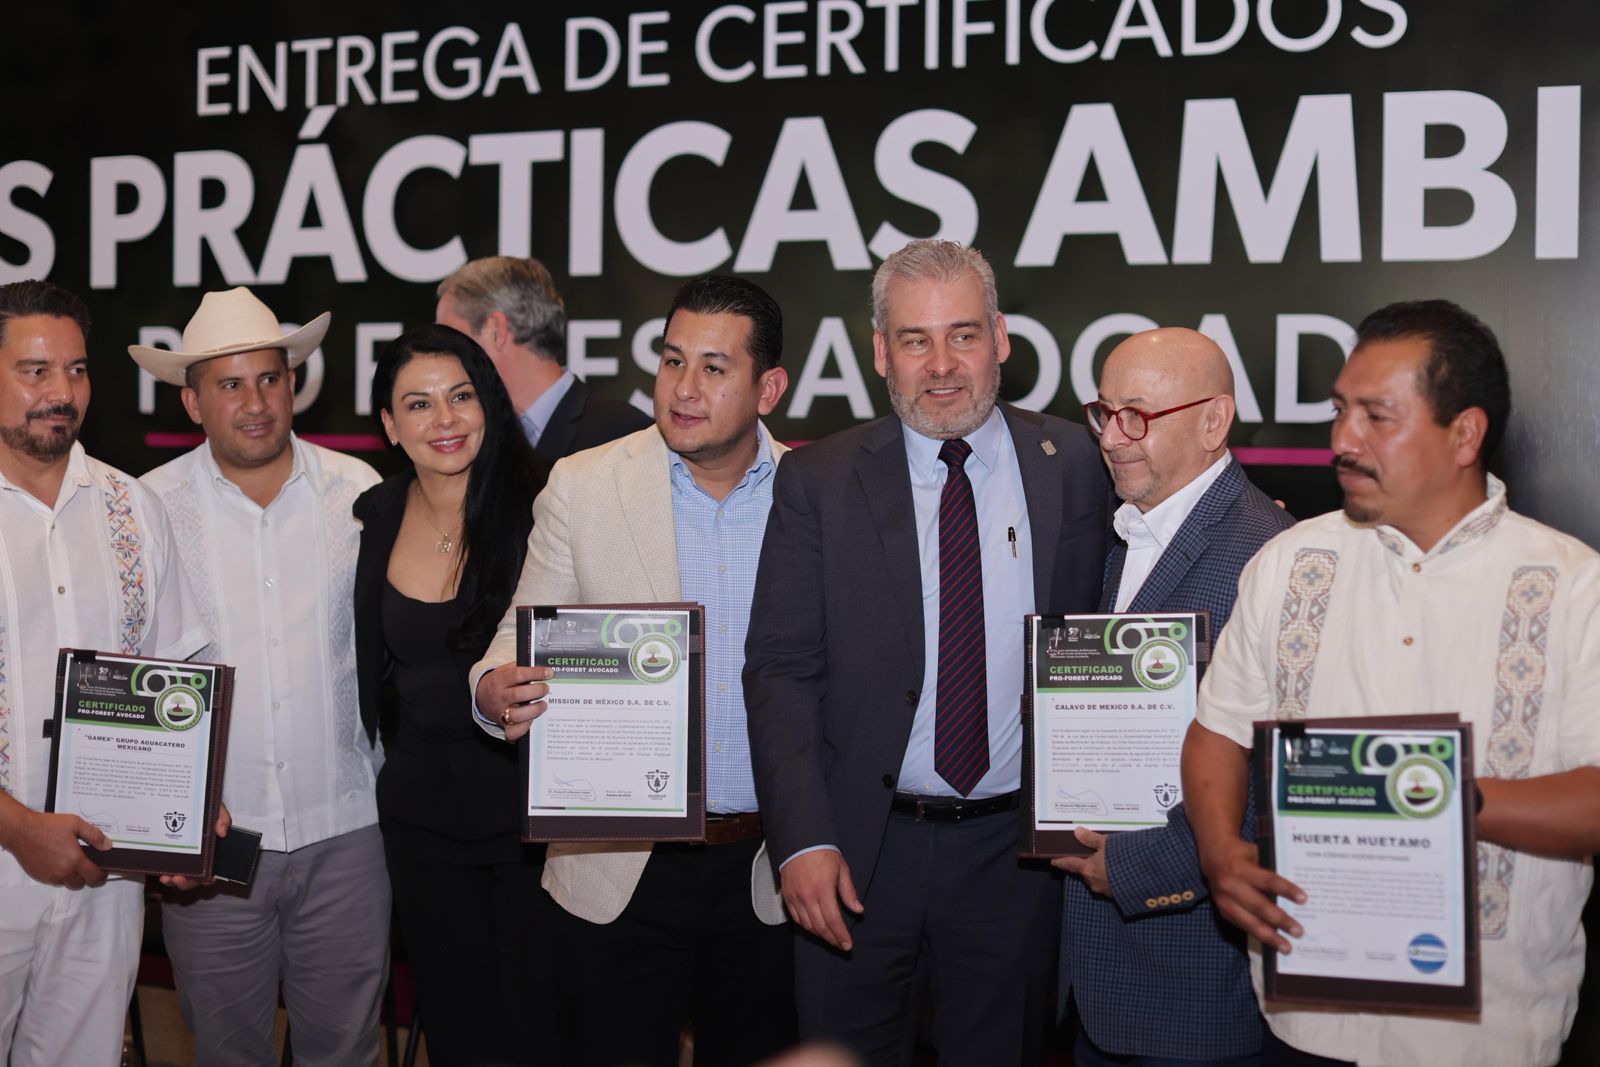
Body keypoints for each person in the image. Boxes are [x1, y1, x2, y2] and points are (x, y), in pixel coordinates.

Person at [1182, 300, 1600, 1067]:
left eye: (1378, 416)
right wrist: (1219, 850)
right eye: (1340, 411)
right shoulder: (1288, 562)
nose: (1344, 439)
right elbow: (1216, 730)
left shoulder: (1573, 587)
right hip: (1303, 1023)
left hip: (1488, 1034)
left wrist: (1431, 796)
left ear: (1464, 434)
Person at [744, 239, 1113, 1066]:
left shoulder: (1077, 464)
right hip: (859, 852)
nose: (941, 365)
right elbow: (780, 671)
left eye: (963, 335)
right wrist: (802, 839)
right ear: (882, 351)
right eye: (915, 339)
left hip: (1017, 855)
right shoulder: (818, 480)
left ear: (1001, 338)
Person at [470, 275, 796, 1067]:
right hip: (615, 865)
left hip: (767, 869)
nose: (683, 388)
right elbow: (514, 639)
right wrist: (492, 688)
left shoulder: (815, 493)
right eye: (672, 360)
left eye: (714, 368)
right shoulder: (585, 484)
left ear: (768, 388)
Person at [135, 287, 390, 1067]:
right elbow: (133, 672)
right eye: (230, 384)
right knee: (226, 1052)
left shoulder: (361, 494)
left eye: (270, 378)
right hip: (214, 847)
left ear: (293, 382)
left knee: (346, 1052)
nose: (255, 402)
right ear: (192, 400)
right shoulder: (147, 509)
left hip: (348, 834)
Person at [1052, 328, 1293, 1067]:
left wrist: (1135, 868)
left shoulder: (1270, 557)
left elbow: (1274, 781)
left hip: (1190, 983)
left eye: (1138, 415)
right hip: (1091, 975)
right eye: (1104, 412)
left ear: (1214, 421)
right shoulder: (1109, 533)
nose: (1111, 438)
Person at [0, 279, 208, 1065]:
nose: (61, 392)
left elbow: (172, 679)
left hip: (104, 877)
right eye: (35, 370)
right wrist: (19, 829)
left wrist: (183, 814)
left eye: (77, 369)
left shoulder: (132, 508)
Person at [353, 322, 551, 1066]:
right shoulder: (374, 514)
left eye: (461, 396)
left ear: (489, 403)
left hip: (530, 821)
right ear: (390, 424)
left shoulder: (545, 507)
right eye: (419, 403)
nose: (445, 419)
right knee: (456, 1028)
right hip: (420, 823)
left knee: (538, 1029)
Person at [435, 255, 650, 463]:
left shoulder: (625, 436)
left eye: (450, 337)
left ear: (495, 331)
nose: (440, 354)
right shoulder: (472, 436)